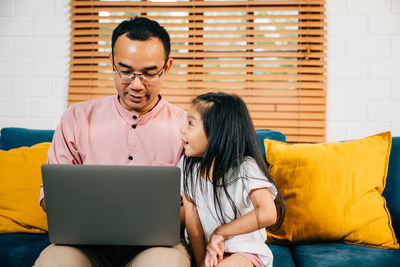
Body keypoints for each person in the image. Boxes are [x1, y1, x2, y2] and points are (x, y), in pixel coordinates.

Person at [34, 17, 190, 267]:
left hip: (155, 248)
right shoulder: (76, 117)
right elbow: (49, 195)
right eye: (126, 71)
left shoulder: (187, 127)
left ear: (167, 67)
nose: (137, 85)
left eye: (150, 73)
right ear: (111, 63)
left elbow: (199, 202)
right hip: (83, 246)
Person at [180, 92, 285, 267]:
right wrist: (201, 263)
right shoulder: (189, 167)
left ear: (217, 132)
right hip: (211, 254)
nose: (182, 129)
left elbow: (268, 213)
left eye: (191, 123)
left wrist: (220, 232)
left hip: (244, 253)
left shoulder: (246, 168)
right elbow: (193, 224)